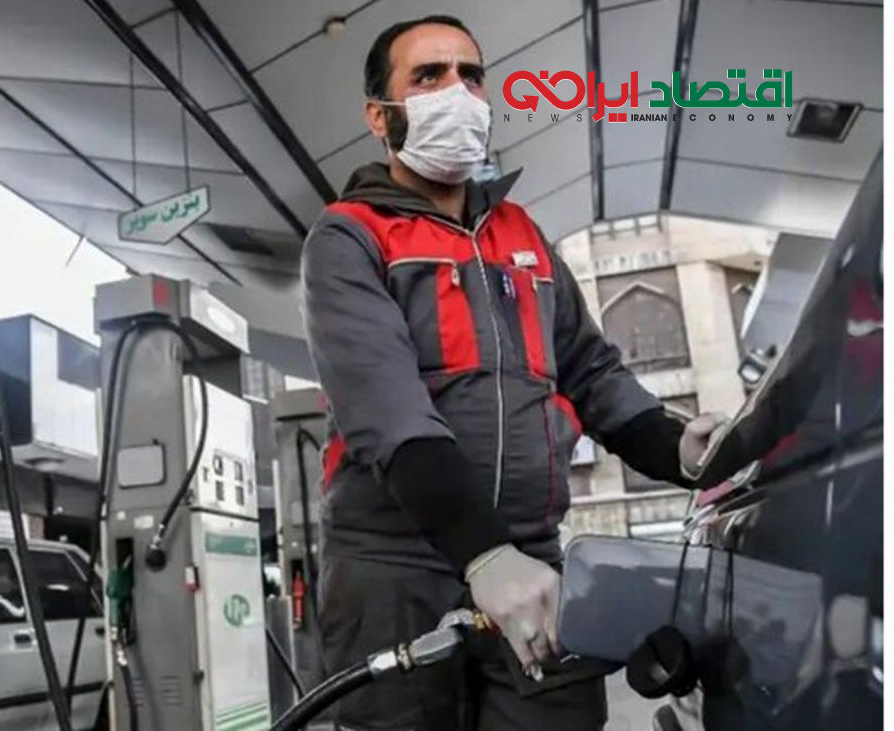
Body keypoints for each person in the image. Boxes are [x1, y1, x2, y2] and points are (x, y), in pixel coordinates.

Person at [301, 15, 725, 730]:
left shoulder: (522, 236)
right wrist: (482, 553)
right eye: (429, 76)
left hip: (532, 556)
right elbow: (389, 410)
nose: (457, 91)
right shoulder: (350, 236)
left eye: (470, 75)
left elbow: (590, 371)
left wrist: (675, 445)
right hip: (392, 569)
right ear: (380, 115)